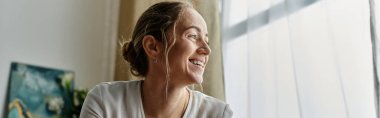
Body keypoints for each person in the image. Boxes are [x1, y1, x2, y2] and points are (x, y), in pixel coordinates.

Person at [79, 1, 233, 118]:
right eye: (192, 36)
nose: (207, 50)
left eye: (207, 40)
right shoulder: (104, 101)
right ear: (153, 47)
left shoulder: (219, 114)